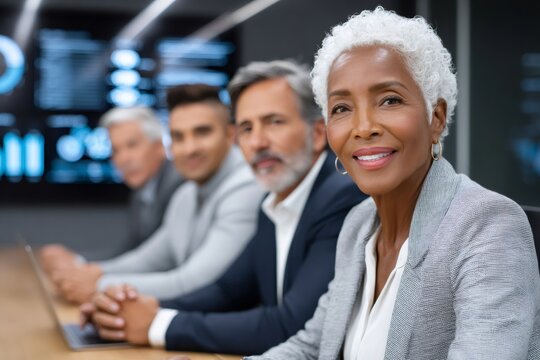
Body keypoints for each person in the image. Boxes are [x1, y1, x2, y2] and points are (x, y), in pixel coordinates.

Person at [245, 7, 540, 360]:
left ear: (436, 118)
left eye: (389, 100)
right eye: (342, 108)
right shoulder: (358, 225)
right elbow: (310, 348)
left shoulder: (486, 225)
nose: (363, 126)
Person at [83, 60, 366, 354]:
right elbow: (226, 291)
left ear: (318, 133)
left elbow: (292, 324)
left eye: (274, 122)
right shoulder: (272, 202)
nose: (257, 142)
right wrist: (123, 312)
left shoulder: (340, 199)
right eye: (247, 128)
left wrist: (158, 324)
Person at [46, 84, 264, 304]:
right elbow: (148, 259)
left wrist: (98, 284)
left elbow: (193, 282)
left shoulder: (247, 187)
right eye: (178, 137)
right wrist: (90, 273)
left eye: (202, 132)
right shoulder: (187, 194)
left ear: (230, 135)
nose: (190, 148)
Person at [40, 107, 184, 268]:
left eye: (132, 145)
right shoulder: (141, 192)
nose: (123, 159)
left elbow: (159, 262)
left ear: (159, 147)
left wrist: (92, 275)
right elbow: (131, 250)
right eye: (115, 150)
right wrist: (77, 261)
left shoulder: (178, 186)